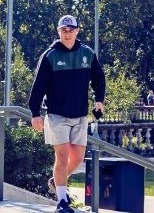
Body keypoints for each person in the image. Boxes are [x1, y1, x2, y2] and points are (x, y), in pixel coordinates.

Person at [28, 15, 105, 213]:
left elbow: (98, 78)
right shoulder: (50, 56)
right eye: (64, 30)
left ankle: (57, 181)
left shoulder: (87, 53)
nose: (68, 33)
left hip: (80, 115)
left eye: (71, 30)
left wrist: (99, 99)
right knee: (62, 156)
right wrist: (35, 112)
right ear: (58, 31)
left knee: (77, 158)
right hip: (56, 115)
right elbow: (38, 87)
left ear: (77, 31)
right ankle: (62, 202)